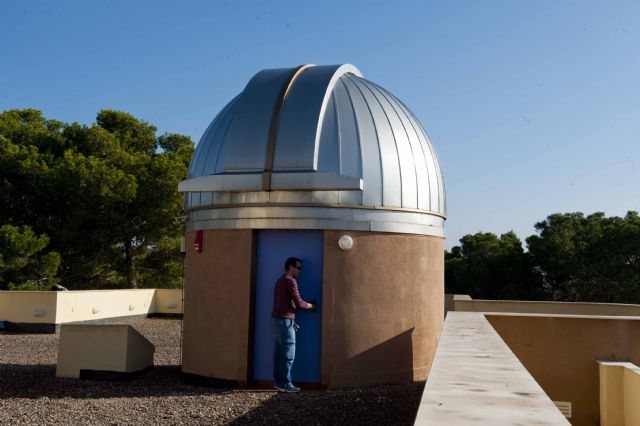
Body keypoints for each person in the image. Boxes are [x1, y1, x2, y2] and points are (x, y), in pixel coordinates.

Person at [271, 256, 316, 393]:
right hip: (285, 321)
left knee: (279, 354)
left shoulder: (280, 280)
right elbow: (299, 303)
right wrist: (312, 306)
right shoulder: (291, 281)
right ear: (291, 267)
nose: (300, 271)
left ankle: (279, 382)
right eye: (299, 268)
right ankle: (286, 383)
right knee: (288, 354)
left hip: (277, 321)